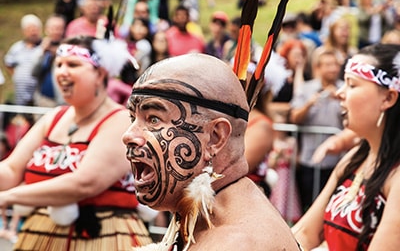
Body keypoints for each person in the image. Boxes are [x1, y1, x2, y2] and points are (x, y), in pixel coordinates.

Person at [123, 53, 301, 251]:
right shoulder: (203, 214)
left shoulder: (235, 243)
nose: (128, 135)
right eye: (133, 119)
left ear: (215, 137)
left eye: (153, 119)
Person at [0, 35, 153, 250]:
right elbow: (11, 169)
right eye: (59, 64)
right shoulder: (54, 117)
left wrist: (8, 197)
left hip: (103, 236)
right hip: (41, 234)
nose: (62, 72)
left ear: (100, 73)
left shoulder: (121, 121)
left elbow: (84, 183)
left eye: (73, 64)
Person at [293, 43, 400, 250]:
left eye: (351, 85)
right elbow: (304, 234)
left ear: (388, 98)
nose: (340, 93)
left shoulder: (396, 178)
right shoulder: (354, 159)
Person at [290, 50, 344, 213]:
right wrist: (309, 104)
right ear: (318, 67)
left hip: (338, 159)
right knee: (311, 204)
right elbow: (294, 117)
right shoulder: (306, 88)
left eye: (335, 65)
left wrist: (343, 101)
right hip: (311, 157)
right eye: (328, 65)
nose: (333, 69)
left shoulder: (346, 88)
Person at [3, 14, 43, 107]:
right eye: (30, 29)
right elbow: (8, 63)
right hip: (21, 96)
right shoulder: (17, 47)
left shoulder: (44, 47)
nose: (33, 32)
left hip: (39, 94)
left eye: (35, 29)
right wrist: (16, 76)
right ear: (24, 31)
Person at [32, 14, 66, 107]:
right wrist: (42, 52)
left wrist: (60, 53)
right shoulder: (40, 48)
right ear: (46, 29)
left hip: (64, 101)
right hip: (44, 101)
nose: (56, 31)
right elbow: (33, 72)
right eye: (53, 28)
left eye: (59, 28)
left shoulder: (69, 49)